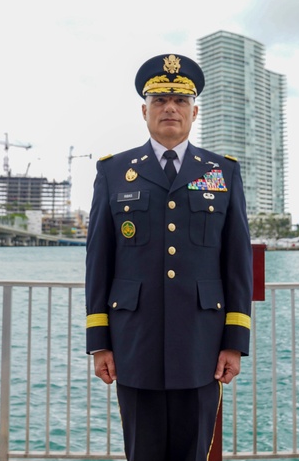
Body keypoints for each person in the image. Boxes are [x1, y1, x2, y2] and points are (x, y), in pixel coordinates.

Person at [85, 53, 253, 461]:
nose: (170, 108)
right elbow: (98, 262)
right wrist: (99, 343)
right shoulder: (113, 171)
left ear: (195, 111)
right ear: (145, 111)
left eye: (180, 101)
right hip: (134, 344)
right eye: (160, 100)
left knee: (193, 453)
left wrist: (235, 343)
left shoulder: (222, 171)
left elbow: (237, 264)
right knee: (141, 452)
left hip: (202, 345)